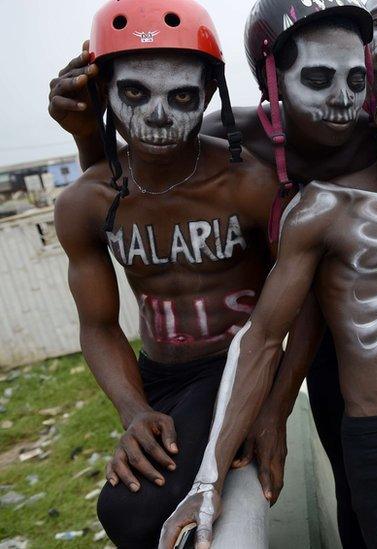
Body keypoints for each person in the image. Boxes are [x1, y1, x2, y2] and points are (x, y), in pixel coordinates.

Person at [49, 3, 377, 547]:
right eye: (316, 78)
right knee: (361, 485)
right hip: (285, 346)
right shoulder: (232, 144)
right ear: (271, 80)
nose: (341, 98)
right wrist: (88, 135)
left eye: (355, 79)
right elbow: (140, 172)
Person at [53, 1, 291, 547]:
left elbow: (301, 298)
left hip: (235, 367)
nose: (158, 115)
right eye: (135, 92)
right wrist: (134, 410)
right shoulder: (86, 202)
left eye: (182, 96)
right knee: (130, 512)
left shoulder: (250, 186)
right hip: (156, 374)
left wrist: (273, 408)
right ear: (104, 92)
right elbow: (98, 325)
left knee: (129, 512)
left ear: (208, 95)